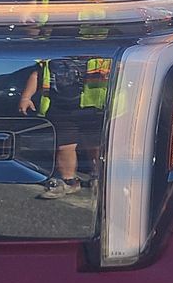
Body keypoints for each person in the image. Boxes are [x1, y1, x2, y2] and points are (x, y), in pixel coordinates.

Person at [19, 54, 110, 200]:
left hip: (92, 107)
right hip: (61, 108)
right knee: (65, 147)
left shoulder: (99, 54)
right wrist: (26, 97)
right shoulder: (51, 56)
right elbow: (37, 74)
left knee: (95, 146)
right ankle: (68, 180)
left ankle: (99, 176)